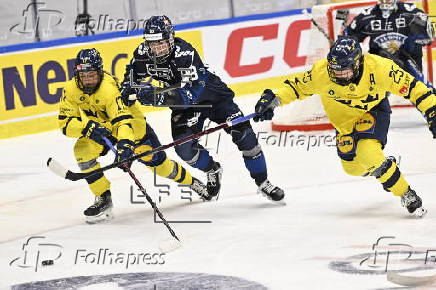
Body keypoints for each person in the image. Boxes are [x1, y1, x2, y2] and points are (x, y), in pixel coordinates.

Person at [254, 36, 436, 217]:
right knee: (352, 168)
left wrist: (433, 112)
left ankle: (406, 193)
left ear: (358, 62)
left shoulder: (381, 68)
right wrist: (273, 100)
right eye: (334, 71)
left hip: (373, 111)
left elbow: (415, 89)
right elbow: (296, 87)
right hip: (344, 124)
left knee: (368, 154)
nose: (338, 75)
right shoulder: (322, 72)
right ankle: (384, 166)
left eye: (344, 71)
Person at [121, 15, 285, 203]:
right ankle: (212, 169)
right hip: (185, 107)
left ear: (171, 38)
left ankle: (263, 182)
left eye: (162, 43)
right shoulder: (142, 53)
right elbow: (131, 76)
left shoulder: (185, 53)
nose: (157, 49)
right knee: (184, 150)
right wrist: (128, 89)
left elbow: (191, 93)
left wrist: (158, 97)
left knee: (245, 136)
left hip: (214, 99)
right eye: (153, 44)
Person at [58, 48, 209, 224]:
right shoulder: (70, 89)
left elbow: (123, 122)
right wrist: (87, 128)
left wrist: (125, 146)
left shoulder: (109, 90)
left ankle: (192, 182)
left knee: (161, 168)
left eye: (92, 75)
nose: (88, 80)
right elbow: (64, 124)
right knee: (82, 150)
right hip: (103, 131)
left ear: (99, 72)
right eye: (83, 75)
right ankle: (103, 198)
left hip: (134, 130)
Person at [344, 0, 434, 86]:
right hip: (382, 63)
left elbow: (427, 37)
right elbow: (348, 39)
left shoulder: (410, 11)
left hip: (407, 59)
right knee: (376, 93)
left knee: (420, 89)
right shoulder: (367, 16)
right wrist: (344, 27)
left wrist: (420, 36)